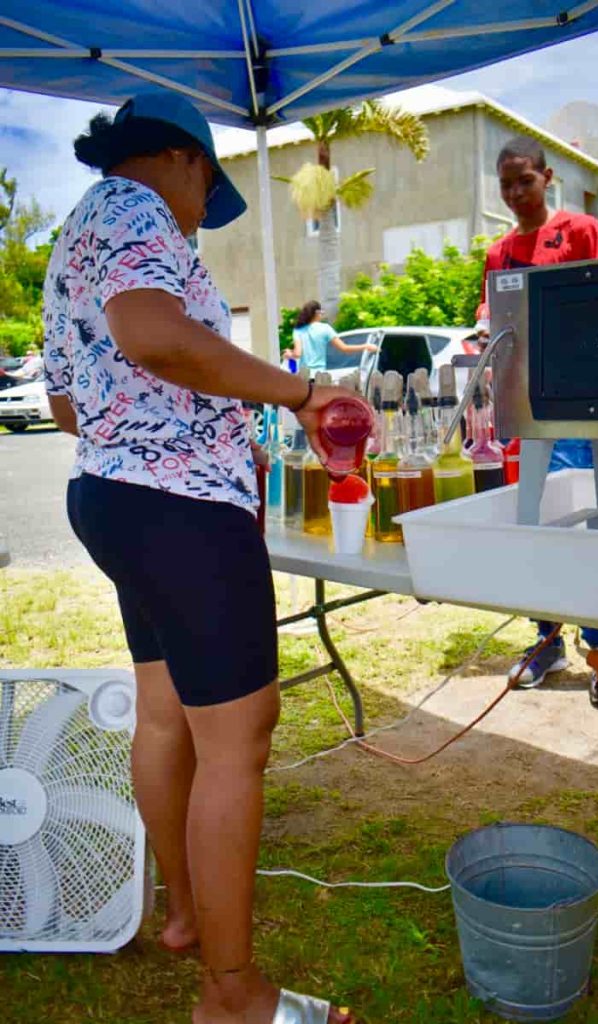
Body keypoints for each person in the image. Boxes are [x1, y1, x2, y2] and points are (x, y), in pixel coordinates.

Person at [43, 89, 360, 1024]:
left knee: (165, 715)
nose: (197, 220)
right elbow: (153, 334)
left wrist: (212, 420)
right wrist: (299, 393)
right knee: (239, 738)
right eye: (204, 193)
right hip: (179, 510)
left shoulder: (73, 236)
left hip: (112, 496)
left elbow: (73, 401)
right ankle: (231, 995)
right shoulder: (139, 210)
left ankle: (186, 915)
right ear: (182, 158)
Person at [480, 135, 598, 709]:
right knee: (534, 524)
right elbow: (496, 320)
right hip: (524, 408)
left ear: (546, 178)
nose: (517, 192)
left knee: (587, 524)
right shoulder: (497, 252)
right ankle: (546, 641)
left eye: (525, 180)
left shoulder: (582, 230)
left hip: (580, 405)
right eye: (506, 184)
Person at [284, 300, 376, 373]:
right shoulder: (325, 328)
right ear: (316, 313)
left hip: (304, 375)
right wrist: (366, 346)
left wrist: (289, 354)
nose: (322, 315)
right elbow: (344, 348)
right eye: (321, 312)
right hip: (319, 374)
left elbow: (297, 354)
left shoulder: (298, 330)